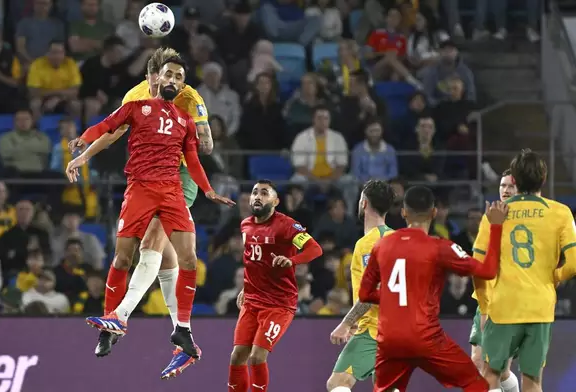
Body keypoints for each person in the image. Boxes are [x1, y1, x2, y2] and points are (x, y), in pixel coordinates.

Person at [65, 56, 233, 369]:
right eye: (162, 73)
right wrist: (84, 152)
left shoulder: (189, 101)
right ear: (151, 76)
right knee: (155, 257)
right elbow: (109, 128)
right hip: (141, 187)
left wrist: (209, 189)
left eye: (175, 75)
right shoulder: (135, 100)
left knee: (163, 247)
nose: (167, 80)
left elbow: (202, 149)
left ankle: (120, 318)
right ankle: (182, 337)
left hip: (177, 180)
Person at [358, 185, 508, 392]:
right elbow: (488, 271)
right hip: (426, 338)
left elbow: (364, 294)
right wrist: (496, 226)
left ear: (403, 212)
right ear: (434, 213)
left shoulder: (381, 246)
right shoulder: (439, 247)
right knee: (475, 384)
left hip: (390, 340)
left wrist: (391, 297)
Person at [477, 149, 576, 392]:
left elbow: (478, 268)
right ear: (543, 179)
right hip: (540, 307)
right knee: (532, 380)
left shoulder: (494, 214)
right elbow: (573, 262)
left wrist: (484, 306)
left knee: (490, 374)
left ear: (515, 181)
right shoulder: (560, 212)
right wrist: (555, 277)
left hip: (503, 306)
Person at [227, 180, 323, 392]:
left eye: (264, 193)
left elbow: (315, 249)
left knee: (257, 356)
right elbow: (252, 261)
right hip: (252, 301)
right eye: (254, 193)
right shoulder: (246, 225)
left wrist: (292, 261)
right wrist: (246, 287)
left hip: (279, 304)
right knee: (237, 356)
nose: (258, 196)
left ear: (275, 201)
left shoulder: (287, 226)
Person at [327, 180, 395, 392]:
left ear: (364, 203)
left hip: (376, 329)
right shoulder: (399, 239)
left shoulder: (368, 244)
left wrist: (347, 323)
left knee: (338, 383)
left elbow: (374, 291)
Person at [468, 169, 519, 392]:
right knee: (479, 363)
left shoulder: (525, 221)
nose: (505, 190)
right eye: (502, 185)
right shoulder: (487, 219)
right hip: (487, 299)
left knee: (495, 369)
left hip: (511, 302)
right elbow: (478, 262)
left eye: (511, 186)